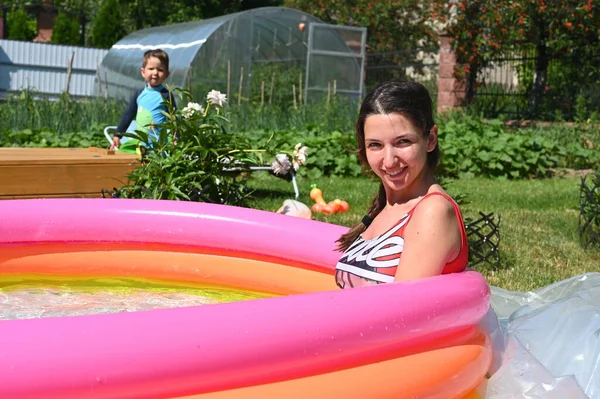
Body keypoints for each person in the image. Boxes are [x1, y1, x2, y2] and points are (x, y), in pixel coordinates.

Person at [335, 80, 468, 289]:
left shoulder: (432, 211)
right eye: (375, 145)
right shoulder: (388, 207)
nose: (389, 161)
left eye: (402, 142)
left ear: (431, 139)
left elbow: (402, 312)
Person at [110, 49, 176, 152]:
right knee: (123, 153)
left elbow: (174, 119)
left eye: (160, 70)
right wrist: (118, 135)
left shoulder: (166, 95)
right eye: (151, 68)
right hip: (140, 142)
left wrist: (176, 138)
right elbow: (128, 115)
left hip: (159, 144)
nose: (155, 73)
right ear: (143, 72)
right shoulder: (139, 94)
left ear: (167, 74)